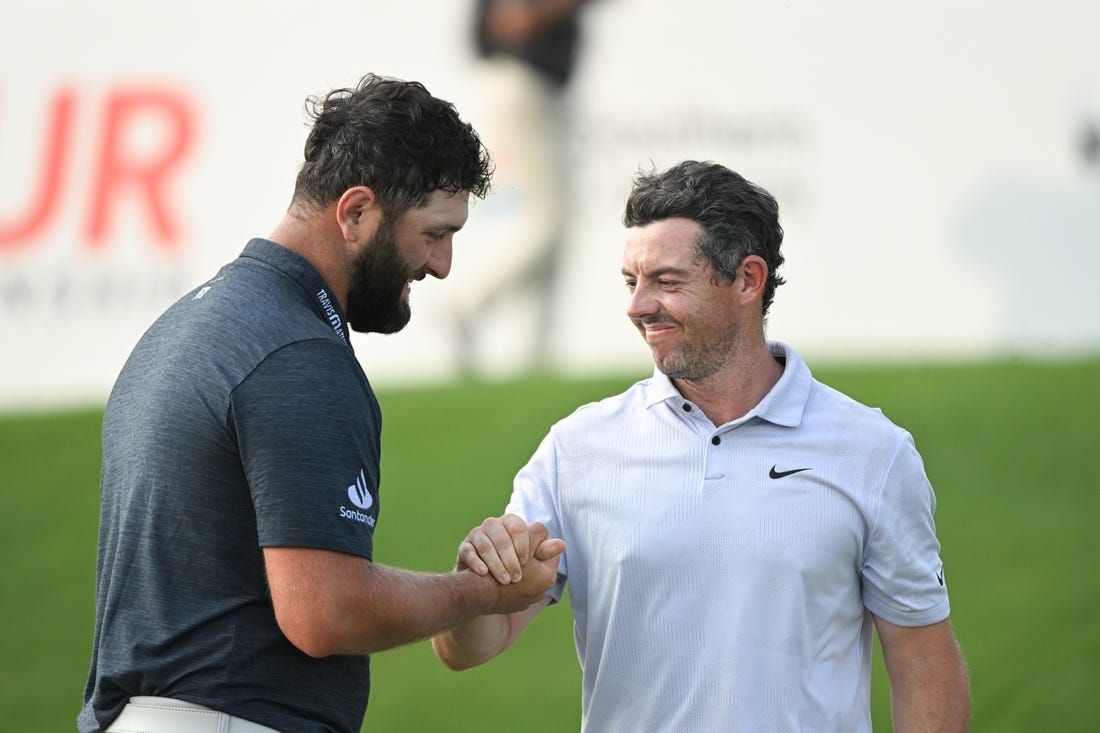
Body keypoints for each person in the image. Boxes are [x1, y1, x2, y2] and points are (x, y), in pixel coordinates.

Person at [77, 73, 562, 733]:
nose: (443, 264)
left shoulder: (183, 329)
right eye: (434, 233)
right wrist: (480, 592)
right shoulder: (298, 354)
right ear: (357, 212)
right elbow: (324, 612)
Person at [433, 161, 971, 731]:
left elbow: (922, 662)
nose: (637, 306)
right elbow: (466, 650)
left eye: (666, 282)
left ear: (747, 280)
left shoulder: (873, 452)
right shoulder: (577, 449)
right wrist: (473, 584)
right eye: (630, 282)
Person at [453, 0, 594, 374]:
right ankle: (468, 302)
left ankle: (537, 358)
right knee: (548, 224)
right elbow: (513, 21)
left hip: (541, 90)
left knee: (555, 232)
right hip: (522, 82)